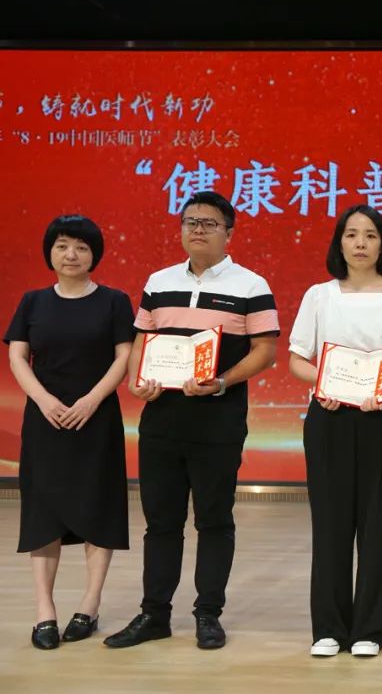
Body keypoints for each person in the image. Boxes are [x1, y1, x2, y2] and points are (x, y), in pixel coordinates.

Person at [104, 191, 279, 650]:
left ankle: (208, 614)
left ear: (229, 233)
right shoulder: (159, 281)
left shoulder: (251, 285)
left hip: (218, 422)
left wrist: (221, 381)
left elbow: (265, 351)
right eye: (190, 222)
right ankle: (154, 614)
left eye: (209, 223)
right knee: (161, 522)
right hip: (161, 421)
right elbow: (142, 340)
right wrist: (137, 380)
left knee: (214, 521)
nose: (197, 229)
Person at [288, 205, 382, 658]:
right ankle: (328, 627)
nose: (361, 243)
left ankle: (369, 628)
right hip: (329, 417)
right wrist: (323, 384)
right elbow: (297, 359)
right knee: (330, 525)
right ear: (340, 243)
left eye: (370, 235)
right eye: (351, 234)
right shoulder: (319, 295)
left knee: (376, 524)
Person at [4, 215, 134, 650]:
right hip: (45, 421)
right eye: (62, 246)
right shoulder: (33, 302)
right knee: (42, 513)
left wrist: (91, 400)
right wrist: (43, 400)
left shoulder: (114, 301)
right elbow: (18, 357)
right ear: (50, 253)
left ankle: (89, 606)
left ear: (94, 254)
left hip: (96, 419)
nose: (71, 255)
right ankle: (45, 610)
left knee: (98, 507)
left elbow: (123, 357)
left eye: (81, 247)